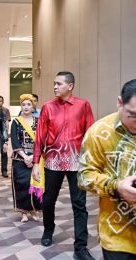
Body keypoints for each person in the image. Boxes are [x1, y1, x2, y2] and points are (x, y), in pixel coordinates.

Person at [31, 71, 95, 259]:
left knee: (79, 205)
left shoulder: (83, 106)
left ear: (70, 86)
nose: (55, 87)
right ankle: (48, 230)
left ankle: (81, 247)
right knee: (49, 200)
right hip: (52, 161)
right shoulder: (48, 107)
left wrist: (91, 161)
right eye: (54, 84)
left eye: (59, 84)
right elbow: (40, 136)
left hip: (76, 162)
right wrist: (36, 163)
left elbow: (90, 135)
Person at [77, 79, 136, 259]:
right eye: (133, 115)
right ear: (120, 103)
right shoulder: (99, 132)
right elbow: (84, 176)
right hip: (118, 236)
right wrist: (116, 186)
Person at [10, 94, 41, 223]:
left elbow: (40, 140)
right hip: (19, 159)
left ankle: (34, 210)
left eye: (29, 104)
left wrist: (33, 157)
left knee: (35, 185)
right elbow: (15, 140)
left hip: (35, 159)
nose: (26, 107)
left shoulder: (38, 121)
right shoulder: (16, 122)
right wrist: (25, 157)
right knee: (21, 185)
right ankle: (24, 212)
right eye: (23, 104)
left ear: (33, 105)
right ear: (21, 106)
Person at [0, 95, 11, 178]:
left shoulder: (6, 110)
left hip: (2, 134)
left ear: (3, 102)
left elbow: (7, 123)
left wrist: (6, 136)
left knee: (4, 152)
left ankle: (4, 170)